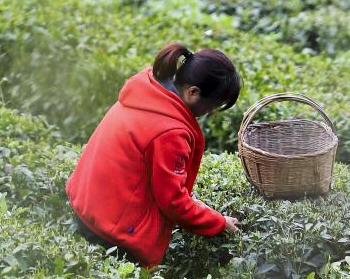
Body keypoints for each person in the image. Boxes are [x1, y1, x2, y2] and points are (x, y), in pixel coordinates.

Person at [67, 42, 242, 267]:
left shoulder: (147, 92)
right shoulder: (170, 132)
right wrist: (218, 222)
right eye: (210, 108)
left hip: (87, 210)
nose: (208, 114)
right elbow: (173, 202)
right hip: (113, 236)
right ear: (193, 92)